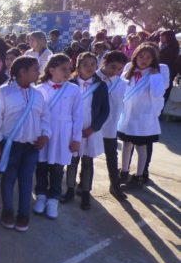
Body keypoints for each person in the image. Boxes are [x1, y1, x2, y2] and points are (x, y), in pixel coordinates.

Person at [0, 56, 50, 231]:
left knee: (27, 180)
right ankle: (7, 211)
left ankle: (23, 214)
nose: (39, 72)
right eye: (35, 69)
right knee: (8, 179)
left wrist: (45, 135)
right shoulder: (4, 92)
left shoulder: (38, 94)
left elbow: (45, 117)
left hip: (32, 145)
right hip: (11, 145)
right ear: (22, 72)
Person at [34, 53, 83, 219]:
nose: (68, 72)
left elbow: (78, 115)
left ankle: (53, 199)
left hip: (63, 133)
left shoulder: (74, 89)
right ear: (51, 69)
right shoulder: (39, 89)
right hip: (44, 132)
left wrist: (76, 138)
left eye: (69, 69)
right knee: (41, 166)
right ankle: (40, 195)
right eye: (63, 69)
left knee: (57, 168)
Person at [62, 52, 109, 210]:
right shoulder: (70, 83)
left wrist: (93, 128)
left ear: (97, 66)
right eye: (85, 64)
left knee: (88, 162)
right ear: (78, 66)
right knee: (72, 161)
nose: (89, 67)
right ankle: (69, 189)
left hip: (90, 131)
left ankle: (86, 192)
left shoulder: (101, 85)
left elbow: (105, 111)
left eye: (92, 64)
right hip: (73, 131)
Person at [118, 43, 165, 189]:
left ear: (153, 59)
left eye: (148, 57)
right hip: (128, 116)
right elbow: (121, 90)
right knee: (126, 145)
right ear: (135, 57)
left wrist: (155, 76)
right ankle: (124, 172)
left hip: (143, 118)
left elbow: (158, 94)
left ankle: (139, 175)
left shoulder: (155, 73)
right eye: (141, 56)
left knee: (141, 147)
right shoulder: (129, 70)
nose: (144, 60)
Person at [97, 51, 129, 201]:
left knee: (111, 155)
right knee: (85, 156)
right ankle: (82, 185)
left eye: (119, 69)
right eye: (112, 67)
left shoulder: (122, 84)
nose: (115, 72)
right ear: (105, 62)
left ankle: (115, 185)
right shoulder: (93, 78)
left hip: (110, 125)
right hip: (92, 125)